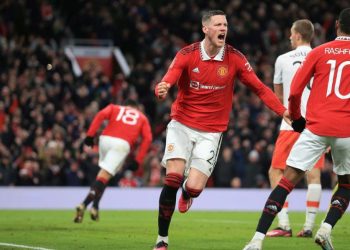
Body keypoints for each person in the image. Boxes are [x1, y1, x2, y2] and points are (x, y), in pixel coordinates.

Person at [152, 10, 290, 250]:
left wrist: (283, 111)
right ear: (205, 28)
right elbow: (169, 77)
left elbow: (259, 88)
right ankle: (162, 240)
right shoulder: (187, 54)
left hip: (211, 132)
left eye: (225, 24)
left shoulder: (235, 58)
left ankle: (188, 192)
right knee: (172, 177)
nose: (223, 28)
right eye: (218, 24)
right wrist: (162, 88)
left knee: (194, 187)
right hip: (182, 124)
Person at [243, 8, 350, 250]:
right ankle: (324, 229)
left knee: (284, 180)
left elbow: (294, 91)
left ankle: (257, 240)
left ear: (336, 26)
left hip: (315, 126)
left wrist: (298, 119)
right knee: (345, 185)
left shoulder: (320, 52)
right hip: (346, 130)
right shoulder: (315, 51)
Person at [266, 19, 325, 238]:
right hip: (317, 124)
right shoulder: (322, 55)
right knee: (314, 173)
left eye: (291, 34)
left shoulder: (282, 59)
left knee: (276, 171)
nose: (290, 37)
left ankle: (284, 225)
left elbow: (278, 97)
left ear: (297, 35)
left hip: (291, 123)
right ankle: (309, 227)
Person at [73, 99, 152, 223]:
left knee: (104, 175)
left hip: (105, 140)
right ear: (136, 108)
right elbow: (148, 139)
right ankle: (84, 204)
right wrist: (138, 160)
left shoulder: (115, 108)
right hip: (121, 144)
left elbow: (100, 115)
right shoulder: (142, 117)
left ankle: (95, 207)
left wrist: (90, 135)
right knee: (105, 175)